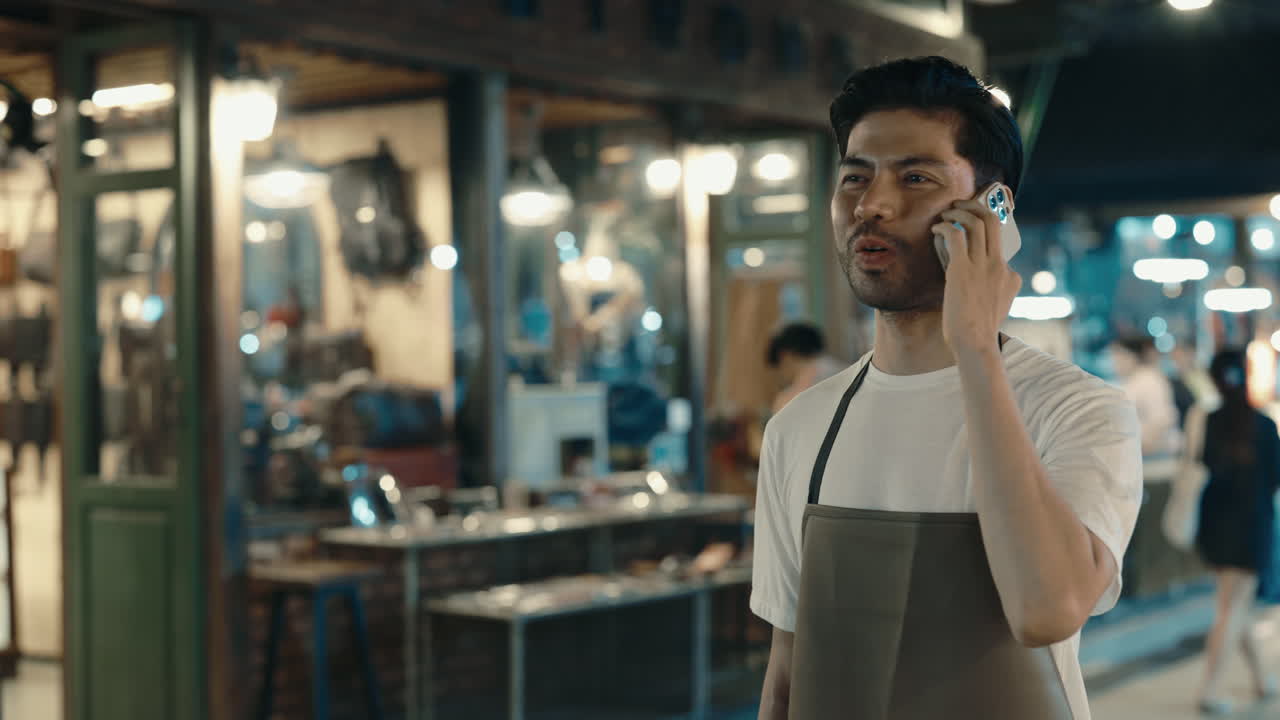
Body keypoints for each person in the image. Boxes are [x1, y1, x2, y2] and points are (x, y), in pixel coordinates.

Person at [751, 56, 1142, 720]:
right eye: (855, 177)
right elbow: (788, 670)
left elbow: (1047, 609)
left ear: (993, 208)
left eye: (916, 177)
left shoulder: (1079, 410)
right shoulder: (800, 427)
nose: (871, 204)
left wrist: (974, 348)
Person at [1194, 349, 1279, 715]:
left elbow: (1204, 465)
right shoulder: (1262, 424)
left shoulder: (1209, 420)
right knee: (1233, 607)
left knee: (1233, 604)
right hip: (1251, 523)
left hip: (1214, 524)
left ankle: (1261, 678)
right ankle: (1210, 690)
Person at [1109, 335, 1181, 458]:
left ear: (1132, 356)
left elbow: (1162, 420)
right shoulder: (1130, 381)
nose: (1114, 362)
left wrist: (1136, 449)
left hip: (1153, 455)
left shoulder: (1150, 380)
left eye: (1118, 355)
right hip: (1136, 453)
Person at [765, 323, 845, 413]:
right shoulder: (839, 369)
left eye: (778, 368)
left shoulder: (807, 380)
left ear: (785, 356)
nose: (780, 376)